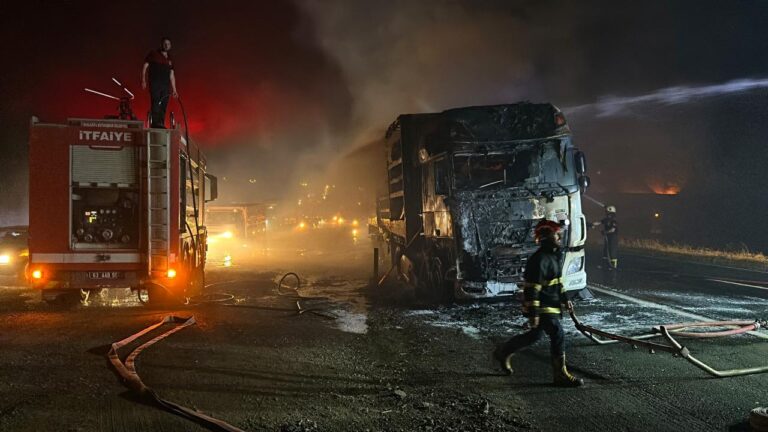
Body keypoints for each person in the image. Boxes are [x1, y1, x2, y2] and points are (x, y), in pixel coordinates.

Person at [493, 219, 584, 387]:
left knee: (534, 336)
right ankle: (560, 375)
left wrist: (565, 299)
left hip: (551, 305)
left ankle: (503, 351)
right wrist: (534, 314)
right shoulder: (539, 260)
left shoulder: (553, 256)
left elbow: (557, 282)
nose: (560, 238)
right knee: (557, 333)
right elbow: (532, 289)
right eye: (556, 235)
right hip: (542, 307)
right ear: (547, 237)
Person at [142, 37, 178, 128]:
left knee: (164, 104)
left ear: (170, 46)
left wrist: (174, 90)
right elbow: (145, 66)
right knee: (156, 103)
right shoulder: (153, 54)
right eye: (165, 43)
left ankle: (161, 123)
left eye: (168, 44)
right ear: (161, 44)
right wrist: (143, 80)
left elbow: (172, 75)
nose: (166, 45)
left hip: (165, 86)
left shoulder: (170, 58)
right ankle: (155, 124)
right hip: (155, 83)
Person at [592, 205, 619, 270]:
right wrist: (591, 224)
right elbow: (599, 222)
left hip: (613, 238)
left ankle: (613, 266)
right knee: (605, 251)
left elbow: (613, 230)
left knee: (612, 251)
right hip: (607, 237)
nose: (607, 214)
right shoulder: (606, 220)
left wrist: (605, 232)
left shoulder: (613, 221)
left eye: (608, 213)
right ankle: (605, 265)